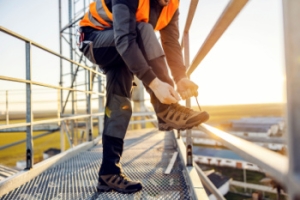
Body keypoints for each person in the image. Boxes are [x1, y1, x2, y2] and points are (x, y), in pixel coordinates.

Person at [78, 0, 209, 194]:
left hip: (121, 41)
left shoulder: (171, 5)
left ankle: (108, 174)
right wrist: (156, 85)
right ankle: (166, 110)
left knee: (119, 105)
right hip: (94, 39)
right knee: (143, 30)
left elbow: (171, 42)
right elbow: (126, 39)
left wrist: (180, 77)